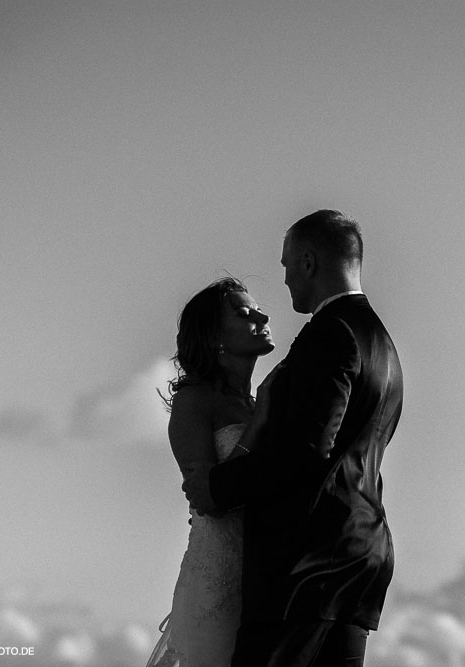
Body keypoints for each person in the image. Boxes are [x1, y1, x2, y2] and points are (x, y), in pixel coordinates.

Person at [183, 210, 404, 667]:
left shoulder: (331, 334)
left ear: (308, 261)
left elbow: (305, 451)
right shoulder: (382, 344)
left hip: (308, 567)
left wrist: (216, 488)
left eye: (285, 265)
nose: (283, 281)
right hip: (360, 561)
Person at [147, 277, 277, 667]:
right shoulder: (194, 401)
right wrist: (264, 420)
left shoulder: (261, 403)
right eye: (243, 312)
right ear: (213, 336)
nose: (263, 315)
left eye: (256, 308)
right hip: (217, 580)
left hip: (265, 585)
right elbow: (208, 499)